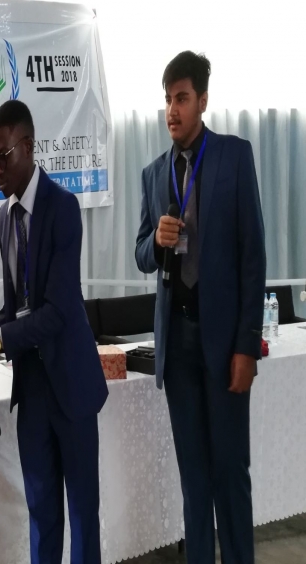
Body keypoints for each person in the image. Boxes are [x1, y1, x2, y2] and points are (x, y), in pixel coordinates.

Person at [135, 51, 265, 564]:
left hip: (224, 342)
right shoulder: (153, 174)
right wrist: (157, 241)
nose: (172, 110)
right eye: (168, 100)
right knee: (194, 478)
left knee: (230, 471)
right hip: (178, 344)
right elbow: (140, 253)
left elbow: (253, 257)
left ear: (203, 101)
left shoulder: (235, 157)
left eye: (182, 98)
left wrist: (246, 346)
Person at [0, 100, 108, 564]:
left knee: (82, 515)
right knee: (42, 514)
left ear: (27, 147)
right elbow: (16, 307)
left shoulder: (63, 208)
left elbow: (58, 311)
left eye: (3, 156)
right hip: (31, 391)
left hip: (71, 385)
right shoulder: (3, 217)